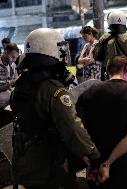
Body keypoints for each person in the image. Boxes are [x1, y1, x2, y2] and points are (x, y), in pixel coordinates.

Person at [10, 28, 100, 189]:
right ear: (50, 50)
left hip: (26, 161)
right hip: (50, 164)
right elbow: (72, 127)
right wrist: (94, 156)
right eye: (60, 48)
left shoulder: (22, 84)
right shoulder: (53, 90)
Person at [76, 55, 127, 189]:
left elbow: (79, 130)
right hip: (126, 166)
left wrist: (89, 162)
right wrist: (108, 163)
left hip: (95, 167)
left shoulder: (87, 94)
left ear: (107, 71)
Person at [94, 10, 127, 81]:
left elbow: (97, 57)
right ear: (124, 20)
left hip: (109, 76)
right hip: (125, 76)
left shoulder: (103, 38)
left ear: (109, 21)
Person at [0, 43, 19, 127]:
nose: (14, 60)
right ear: (6, 52)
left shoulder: (13, 65)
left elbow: (16, 81)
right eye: (13, 57)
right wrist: (10, 83)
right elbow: (13, 82)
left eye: (16, 58)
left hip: (10, 101)